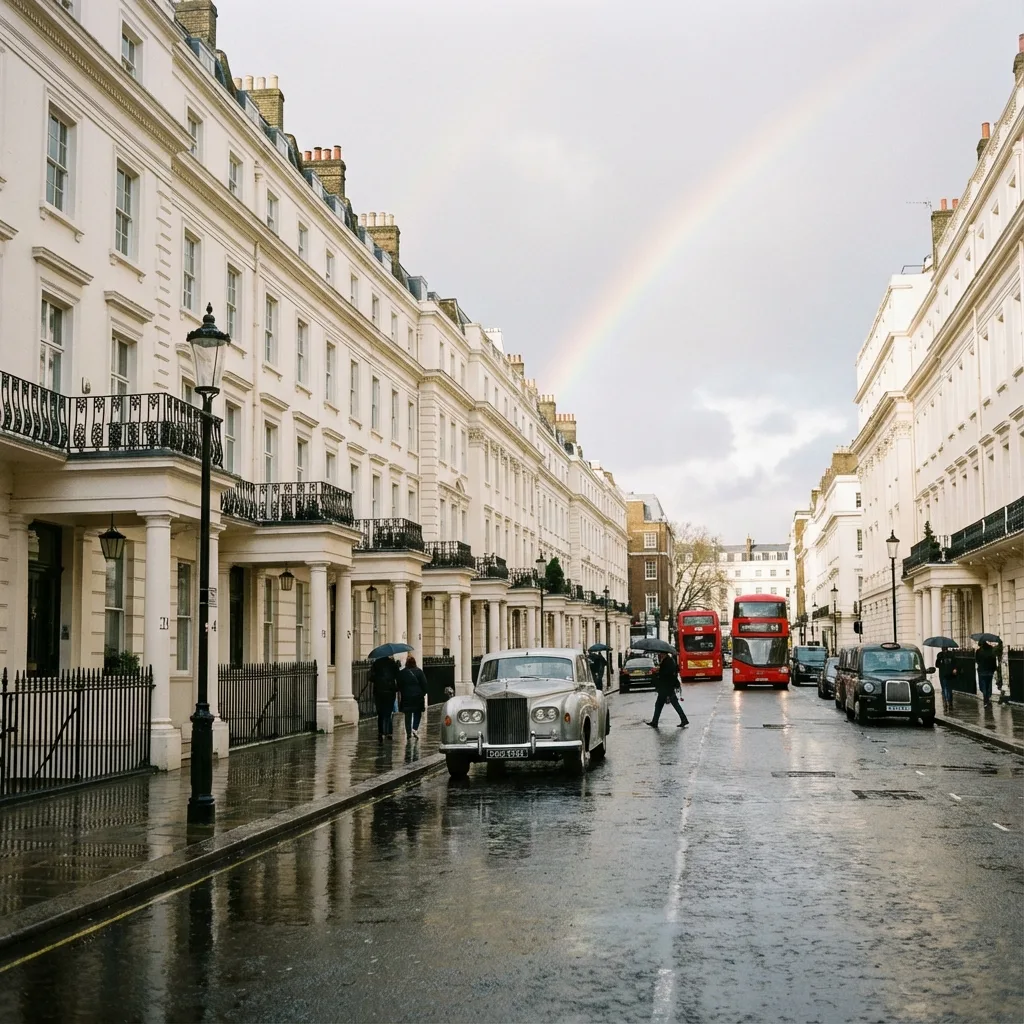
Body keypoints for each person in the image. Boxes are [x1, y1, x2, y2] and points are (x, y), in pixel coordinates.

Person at [647, 649, 688, 729]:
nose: (660, 655)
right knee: (659, 704)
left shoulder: (667, 662)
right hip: (666, 687)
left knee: (672, 704)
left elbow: (666, 674)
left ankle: (684, 719)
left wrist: (656, 673)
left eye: (661, 654)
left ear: (664, 654)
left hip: (666, 687)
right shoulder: (668, 660)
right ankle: (655, 722)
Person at [398, 654, 428, 740]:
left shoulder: (403, 673)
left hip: (407, 696)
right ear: (415, 663)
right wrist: (423, 693)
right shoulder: (419, 672)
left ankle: (408, 733)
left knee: (408, 715)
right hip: (418, 696)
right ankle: (415, 728)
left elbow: (399, 685)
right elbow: (424, 684)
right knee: (417, 713)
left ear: (407, 663)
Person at [371, 655, 399, 742]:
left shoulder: (376, 663)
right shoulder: (393, 664)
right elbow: (398, 676)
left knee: (380, 713)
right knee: (388, 713)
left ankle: (381, 732)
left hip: (378, 691)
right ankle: (389, 732)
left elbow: (371, 677)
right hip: (390, 691)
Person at [975, 640, 998, 707]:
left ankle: (986, 700)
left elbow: (977, 661)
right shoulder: (991, 649)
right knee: (989, 685)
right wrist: (994, 668)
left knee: (983, 686)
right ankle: (988, 698)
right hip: (990, 671)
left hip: (982, 671)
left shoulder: (978, 651)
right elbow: (994, 660)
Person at [935, 648, 957, 714]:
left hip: (949, 674)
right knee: (945, 689)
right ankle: (946, 703)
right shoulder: (940, 655)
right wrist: (939, 659)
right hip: (943, 674)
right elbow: (937, 665)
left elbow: (955, 663)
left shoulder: (951, 654)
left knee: (948, 689)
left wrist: (955, 669)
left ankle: (949, 703)